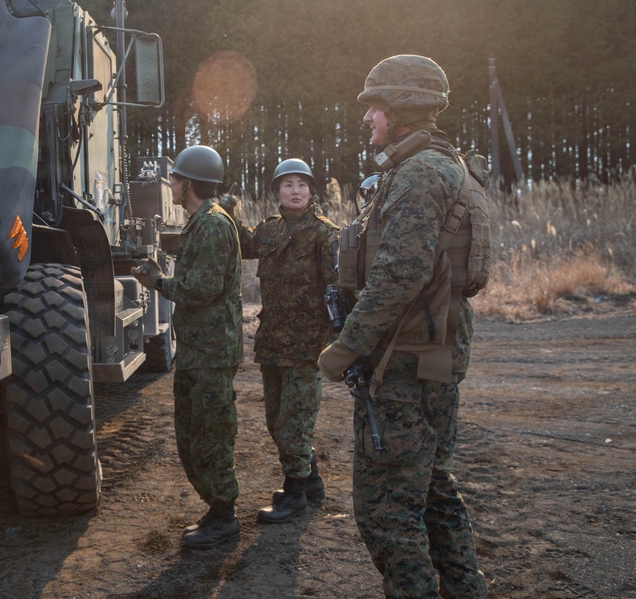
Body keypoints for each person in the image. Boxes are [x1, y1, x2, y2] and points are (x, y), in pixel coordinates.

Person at [318, 54, 489, 598]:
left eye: (375, 107)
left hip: (404, 366)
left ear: (402, 108)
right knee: (434, 488)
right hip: (430, 356)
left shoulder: (419, 175)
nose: (367, 118)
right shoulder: (445, 167)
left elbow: (399, 275)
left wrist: (346, 348)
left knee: (387, 513)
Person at [132, 144, 244, 549]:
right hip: (201, 350)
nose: (172, 185)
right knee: (193, 433)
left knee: (211, 434)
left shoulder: (212, 224)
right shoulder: (202, 222)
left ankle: (224, 516)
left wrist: (157, 282)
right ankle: (217, 508)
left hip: (212, 352)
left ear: (189, 183)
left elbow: (201, 288)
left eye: (176, 179)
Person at [228, 159, 337, 523]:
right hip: (273, 342)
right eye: (287, 184)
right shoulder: (269, 230)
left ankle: (294, 496)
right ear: (276, 192)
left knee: (295, 422)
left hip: (307, 347)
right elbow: (243, 243)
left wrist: (341, 341)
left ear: (311, 191)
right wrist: (227, 210)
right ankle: (311, 481)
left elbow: (339, 290)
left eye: (301, 184)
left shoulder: (325, 234)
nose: (295, 191)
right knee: (276, 420)